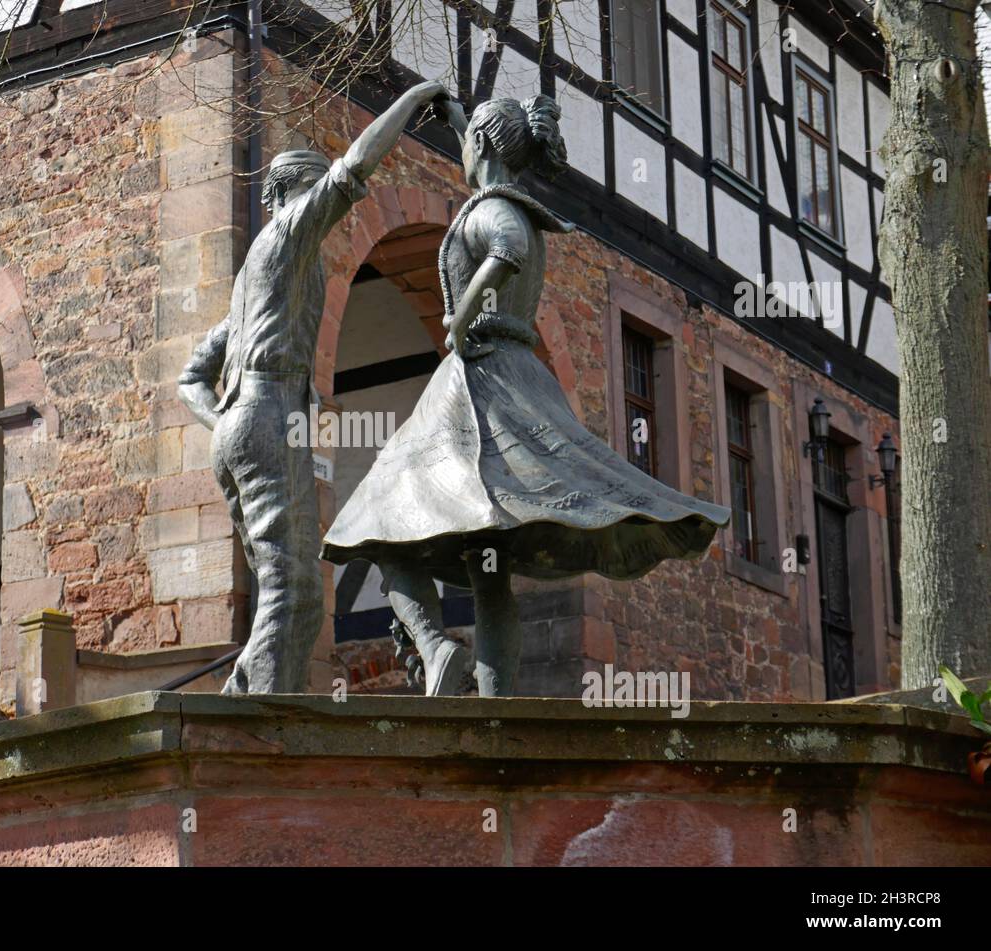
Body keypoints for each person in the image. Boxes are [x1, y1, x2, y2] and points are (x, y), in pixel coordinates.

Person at [321, 94, 731, 697]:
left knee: (376, 519)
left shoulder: (492, 207)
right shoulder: (507, 192)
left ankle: (435, 649)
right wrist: (458, 114)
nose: (462, 149)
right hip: (515, 374)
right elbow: (489, 164)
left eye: (469, 141)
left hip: (478, 373)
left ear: (483, 148)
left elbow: (504, 248)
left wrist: (461, 317)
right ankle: (493, 708)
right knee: (487, 562)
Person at [178, 80, 452, 695]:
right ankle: (265, 734)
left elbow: (189, 377)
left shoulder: (254, 283)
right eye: (308, 191)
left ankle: (244, 696)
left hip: (245, 423)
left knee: (284, 586)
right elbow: (355, 167)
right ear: (284, 197)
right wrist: (413, 100)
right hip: (268, 417)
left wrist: (224, 419)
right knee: (295, 588)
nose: (318, 208)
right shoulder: (285, 235)